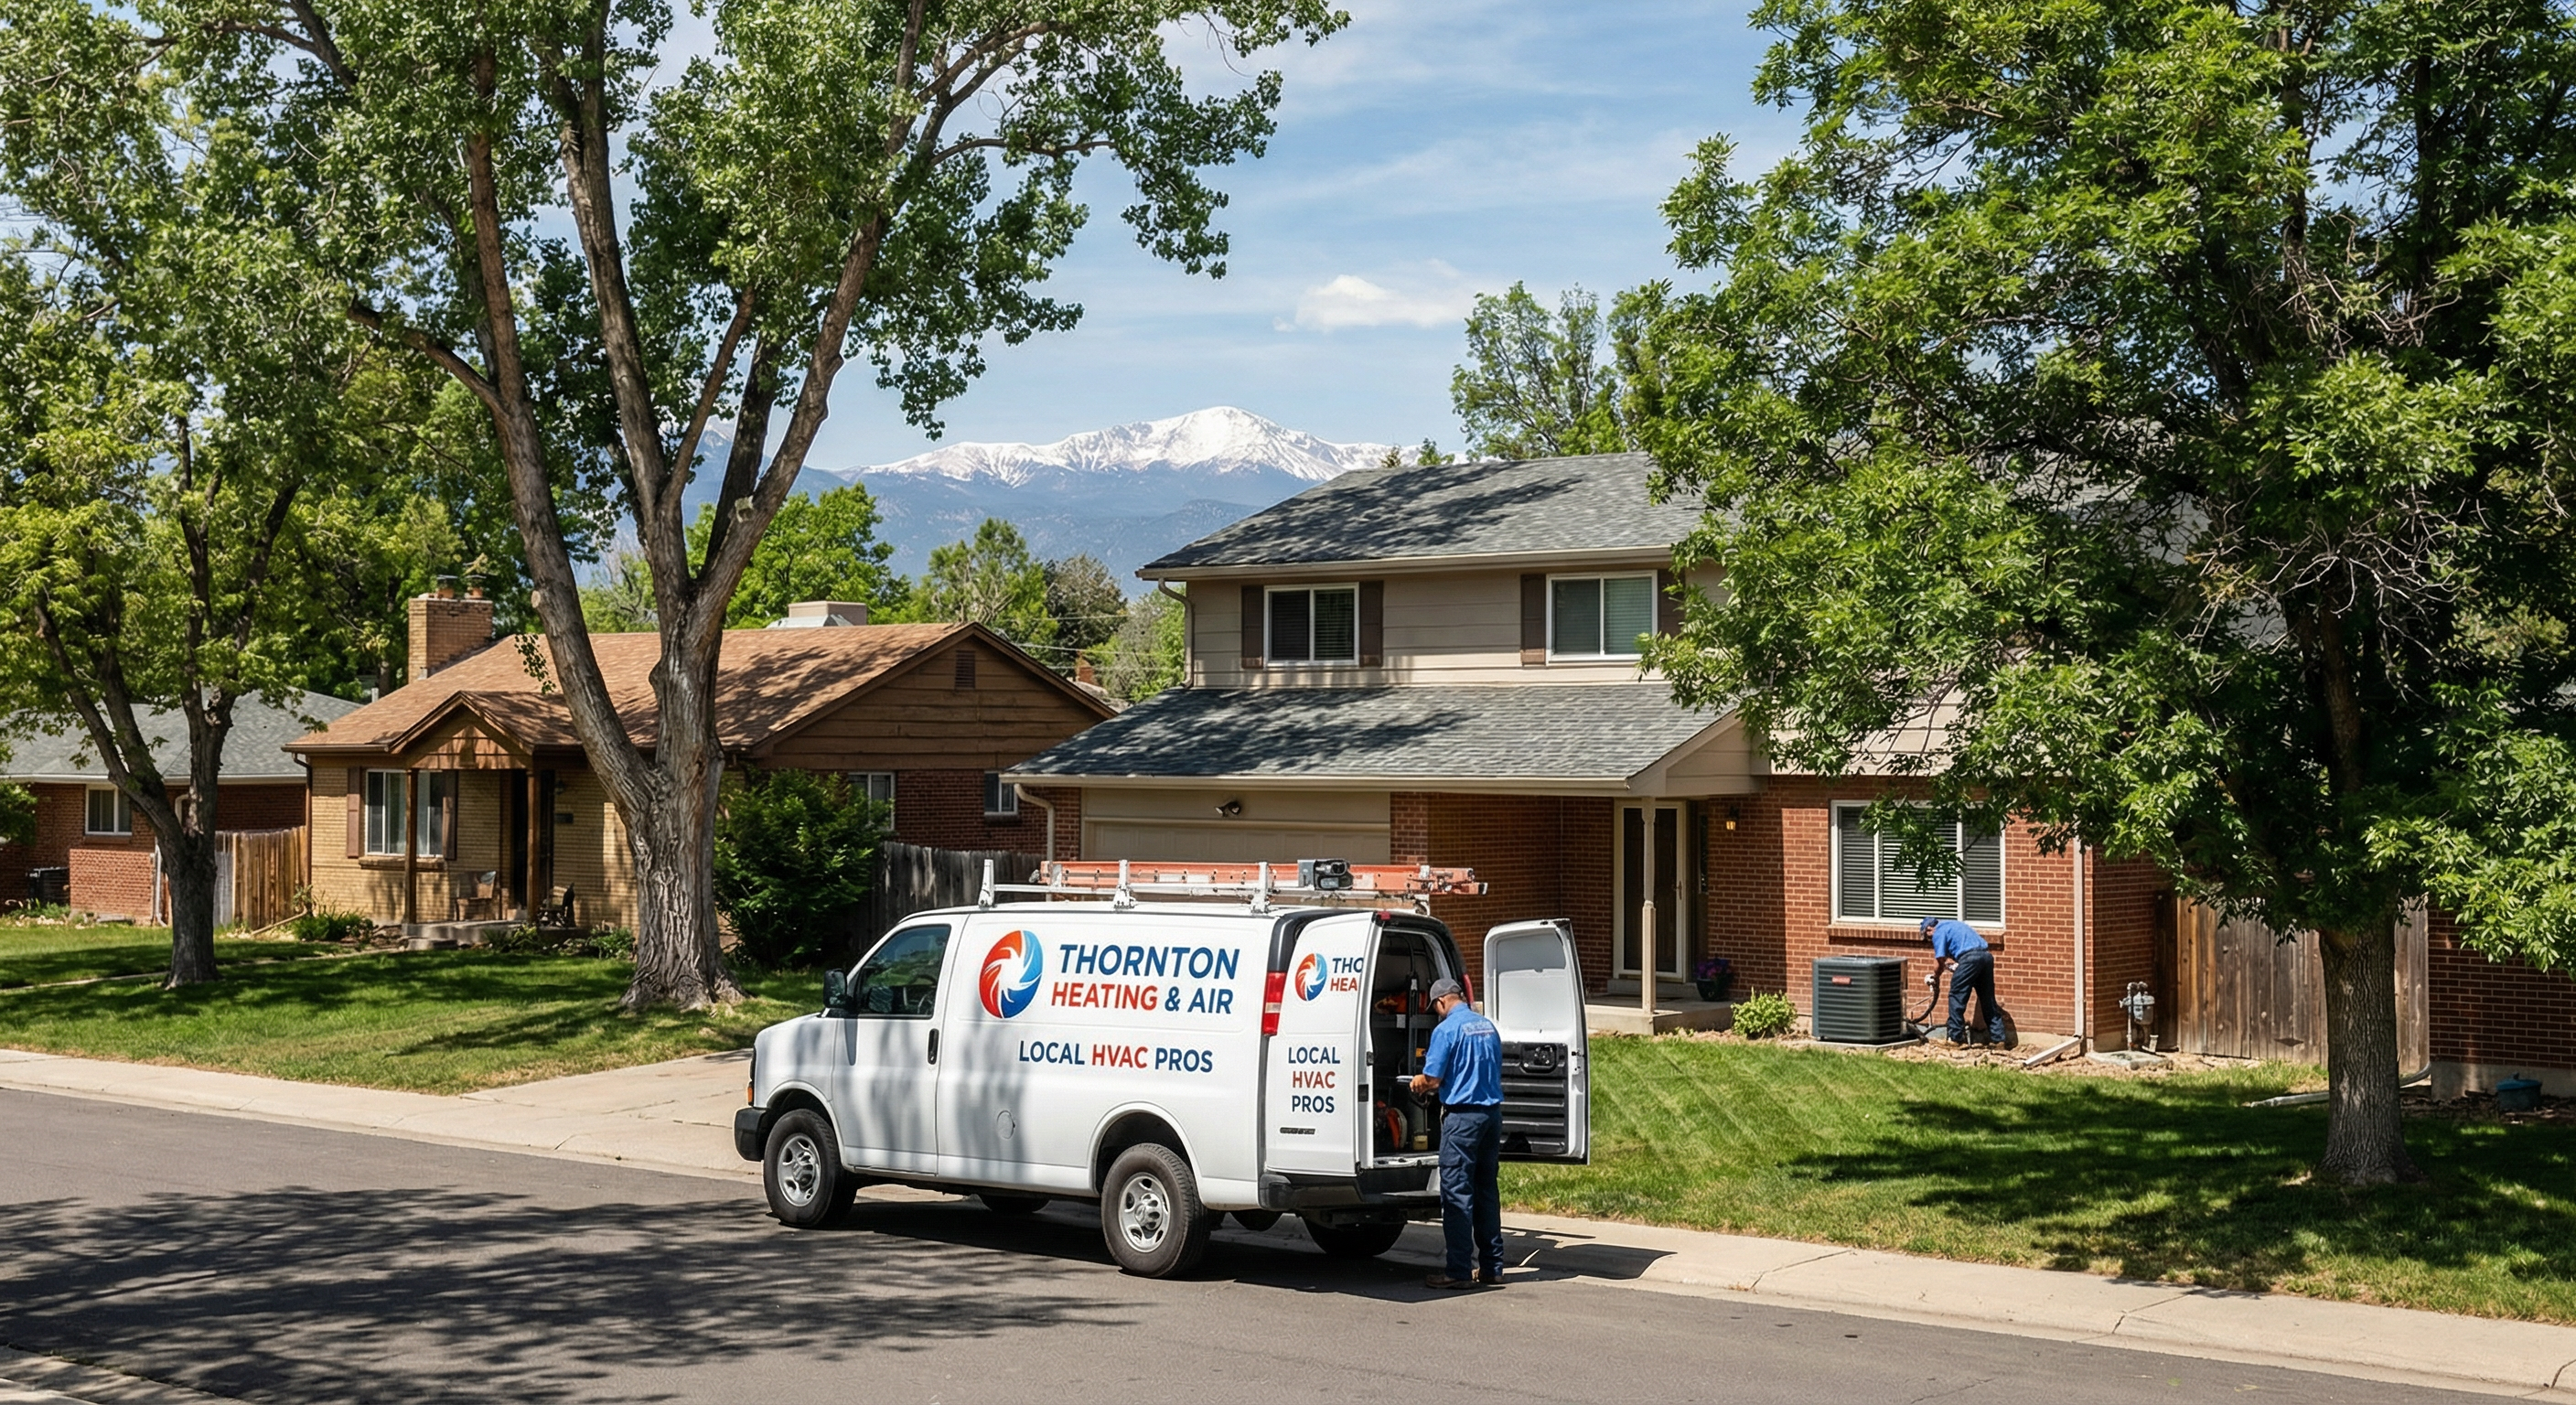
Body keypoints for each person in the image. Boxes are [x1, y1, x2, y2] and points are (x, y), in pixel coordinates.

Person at [1410, 976, 1503, 1289]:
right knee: (1486, 1191)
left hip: (1462, 1119)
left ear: (1441, 1002)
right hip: (1491, 1117)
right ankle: (1492, 1267)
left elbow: (1433, 1078)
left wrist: (1416, 1082)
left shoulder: (1446, 1029)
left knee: (1457, 1194)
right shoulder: (1488, 1026)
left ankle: (1458, 1271)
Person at [1920, 917, 2012, 1047]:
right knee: (1987, 999)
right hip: (1986, 957)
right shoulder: (1952, 925)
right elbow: (1967, 948)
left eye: (1927, 937)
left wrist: (1936, 976)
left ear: (1929, 929)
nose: (1930, 941)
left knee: (1956, 996)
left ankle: (1956, 1038)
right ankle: (1999, 1039)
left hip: (1969, 959)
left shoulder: (1938, 932)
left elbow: (1939, 960)